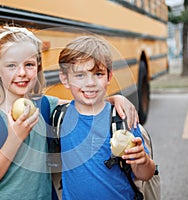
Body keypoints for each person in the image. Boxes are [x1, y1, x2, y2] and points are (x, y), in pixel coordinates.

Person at [0, 25, 139, 199]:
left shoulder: (44, 105)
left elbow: (83, 102)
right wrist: (14, 138)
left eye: (29, 64)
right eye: (11, 65)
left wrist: (116, 99)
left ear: (38, 67)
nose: (22, 73)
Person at [58, 35, 156, 199]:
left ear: (109, 77)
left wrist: (142, 160)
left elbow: (146, 174)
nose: (90, 83)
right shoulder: (59, 116)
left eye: (98, 74)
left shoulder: (122, 119)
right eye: (80, 75)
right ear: (65, 79)